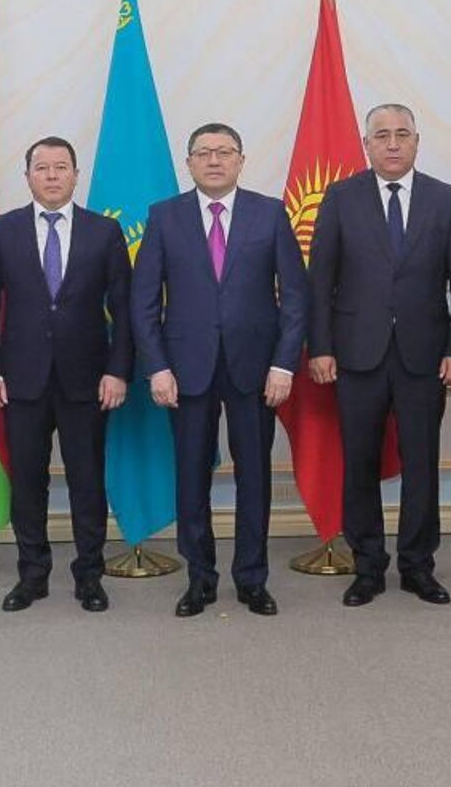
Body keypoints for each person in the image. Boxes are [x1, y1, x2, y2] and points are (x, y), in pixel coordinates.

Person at [133, 123, 307, 618]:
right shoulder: (164, 217)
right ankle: (200, 579)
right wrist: (157, 368)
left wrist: (283, 364)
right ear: (189, 163)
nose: (214, 160)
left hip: (256, 369)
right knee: (191, 477)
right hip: (185, 369)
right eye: (203, 153)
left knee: (255, 476)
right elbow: (143, 302)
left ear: (240, 161)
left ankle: (252, 578)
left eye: (224, 152)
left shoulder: (270, 214)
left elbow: (296, 299)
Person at [307, 103, 451, 607]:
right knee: (359, 462)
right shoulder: (341, 198)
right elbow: (320, 281)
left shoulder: (445, 199)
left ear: (417, 142)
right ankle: (367, 566)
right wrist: (321, 348)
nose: (393, 143)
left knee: (422, 464)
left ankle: (418, 565)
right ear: (367, 145)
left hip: (425, 357)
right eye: (382, 135)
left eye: (403, 134)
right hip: (357, 354)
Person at [0, 137, 131, 613]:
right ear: (27, 175)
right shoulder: (2, 230)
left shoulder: (104, 232)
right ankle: (32, 575)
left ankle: (90, 576)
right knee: (28, 482)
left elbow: (125, 311)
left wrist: (118, 372)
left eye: (60, 167)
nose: (51, 175)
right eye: (41, 167)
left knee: (88, 480)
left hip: (87, 379)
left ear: (75, 175)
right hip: (21, 380)